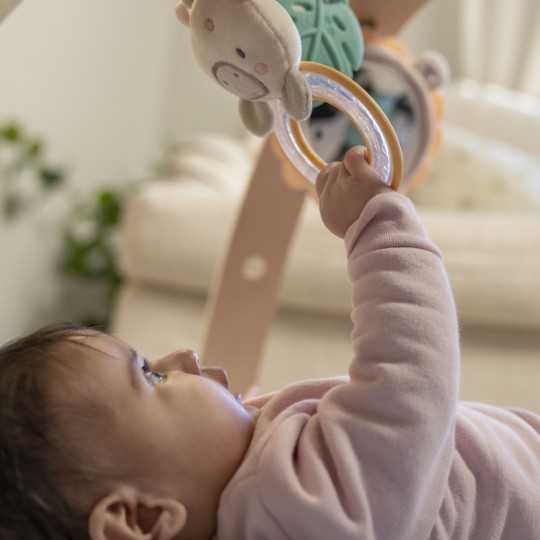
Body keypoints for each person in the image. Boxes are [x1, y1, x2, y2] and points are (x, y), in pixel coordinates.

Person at [0, 147, 538, 540]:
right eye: (151, 376)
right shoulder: (310, 511)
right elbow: (410, 379)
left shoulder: (260, 505)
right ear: (138, 519)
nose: (183, 357)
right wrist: (378, 228)